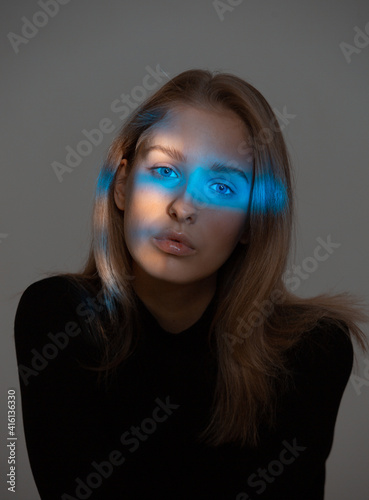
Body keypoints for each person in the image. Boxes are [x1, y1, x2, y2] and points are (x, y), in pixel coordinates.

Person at [14, 69, 369, 500]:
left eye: (221, 186)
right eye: (164, 170)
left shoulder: (312, 351)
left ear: (252, 220)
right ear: (122, 185)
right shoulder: (59, 318)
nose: (183, 207)